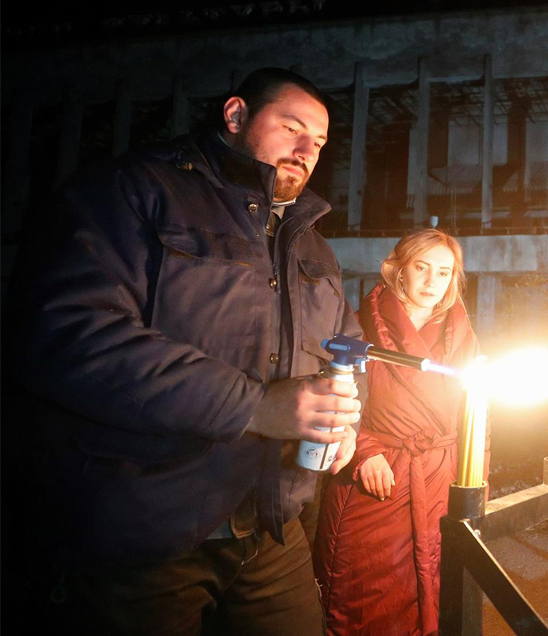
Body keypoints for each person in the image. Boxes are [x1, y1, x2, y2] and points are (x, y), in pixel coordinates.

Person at [4, 68, 362, 635]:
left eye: (317, 142)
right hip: (144, 528)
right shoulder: (135, 190)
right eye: (291, 127)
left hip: (270, 521)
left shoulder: (308, 240)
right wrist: (256, 406)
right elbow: (66, 331)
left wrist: (346, 416)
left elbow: (344, 342)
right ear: (236, 115)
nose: (305, 150)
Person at [313, 229, 483, 636]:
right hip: (377, 478)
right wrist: (364, 452)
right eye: (422, 268)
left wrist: (476, 482)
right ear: (399, 270)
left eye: (443, 273)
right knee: (369, 598)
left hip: (440, 480)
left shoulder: (461, 332)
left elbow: (478, 415)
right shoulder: (360, 325)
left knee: (439, 590)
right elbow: (337, 395)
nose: (432, 282)